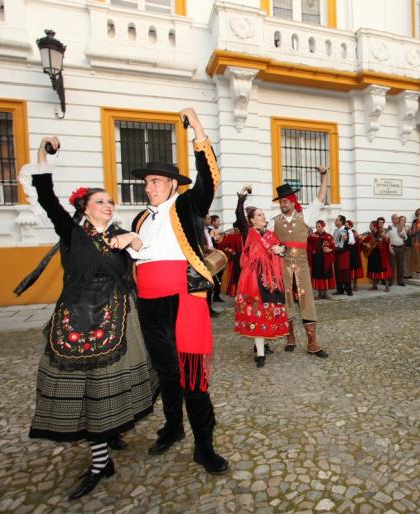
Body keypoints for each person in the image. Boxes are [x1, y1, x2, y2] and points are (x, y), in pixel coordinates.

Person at [24, 136, 155, 499]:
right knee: (82, 387)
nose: (109, 205)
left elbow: (144, 262)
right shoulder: (72, 232)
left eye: (111, 201)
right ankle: (101, 459)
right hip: (77, 316)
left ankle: (104, 450)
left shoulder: (120, 235)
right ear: (85, 206)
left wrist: (135, 242)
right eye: (101, 201)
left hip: (116, 317)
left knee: (106, 387)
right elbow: (46, 196)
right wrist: (43, 154)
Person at [127, 108, 228, 474]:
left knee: (192, 378)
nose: (149, 186)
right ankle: (173, 428)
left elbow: (209, 178)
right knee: (167, 374)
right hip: (149, 305)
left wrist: (197, 128)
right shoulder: (140, 218)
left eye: (156, 181)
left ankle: (204, 446)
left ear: (172, 184)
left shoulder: (187, 205)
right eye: (147, 182)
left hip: (184, 302)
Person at [270, 166, 331, 358]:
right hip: (282, 266)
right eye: (281, 202)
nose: (282, 204)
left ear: (293, 201)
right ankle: (290, 338)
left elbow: (321, 197)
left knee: (306, 300)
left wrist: (324, 176)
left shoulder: (306, 214)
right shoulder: (275, 221)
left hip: (302, 265)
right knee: (286, 300)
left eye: (285, 201)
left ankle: (312, 342)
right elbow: (265, 241)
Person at [233, 186, 289, 367]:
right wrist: (242, 197)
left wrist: (282, 250)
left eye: (263, 214)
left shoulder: (272, 235)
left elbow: (283, 249)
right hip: (253, 280)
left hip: (271, 280)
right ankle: (260, 354)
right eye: (259, 215)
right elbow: (239, 216)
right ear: (250, 221)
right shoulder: (247, 233)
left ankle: (262, 344)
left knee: (267, 313)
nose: (263, 217)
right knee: (257, 314)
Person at [307, 220, 336, 299]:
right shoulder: (313, 236)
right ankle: (319, 294)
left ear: (323, 226)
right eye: (316, 226)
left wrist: (330, 250)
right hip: (317, 260)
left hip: (326, 260)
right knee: (318, 275)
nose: (317, 228)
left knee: (325, 275)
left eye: (319, 226)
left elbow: (333, 247)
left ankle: (325, 293)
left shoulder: (329, 236)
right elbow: (308, 245)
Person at [362, 220, 393, 291]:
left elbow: (387, 240)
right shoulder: (371, 235)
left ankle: (387, 287)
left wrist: (384, 237)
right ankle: (374, 286)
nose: (370, 227)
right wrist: (366, 245)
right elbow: (363, 242)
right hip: (372, 254)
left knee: (383, 269)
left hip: (380, 254)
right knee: (374, 270)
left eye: (371, 226)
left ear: (375, 226)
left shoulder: (381, 233)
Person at [332, 215, 354, 296]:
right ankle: (339, 289)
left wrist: (347, 239)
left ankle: (348, 290)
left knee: (345, 272)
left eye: (337, 220)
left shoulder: (348, 230)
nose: (335, 221)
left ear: (341, 222)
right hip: (336, 253)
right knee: (338, 272)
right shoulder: (335, 231)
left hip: (344, 254)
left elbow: (352, 241)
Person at [386, 214, 407, 286]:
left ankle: (400, 281)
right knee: (391, 265)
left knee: (401, 265)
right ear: (392, 220)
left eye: (397, 218)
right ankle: (390, 281)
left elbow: (406, 237)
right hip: (392, 248)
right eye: (394, 218)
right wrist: (389, 247)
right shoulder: (389, 227)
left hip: (401, 247)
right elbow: (387, 239)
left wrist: (403, 236)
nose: (396, 219)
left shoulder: (401, 227)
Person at [347, 220, 364, 291]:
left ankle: (355, 285)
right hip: (348, 253)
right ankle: (349, 286)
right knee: (349, 270)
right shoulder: (344, 232)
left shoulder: (354, 232)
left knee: (355, 269)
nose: (346, 226)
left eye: (347, 225)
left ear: (350, 226)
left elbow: (358, 241)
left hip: (355, 253)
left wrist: (358, 238)